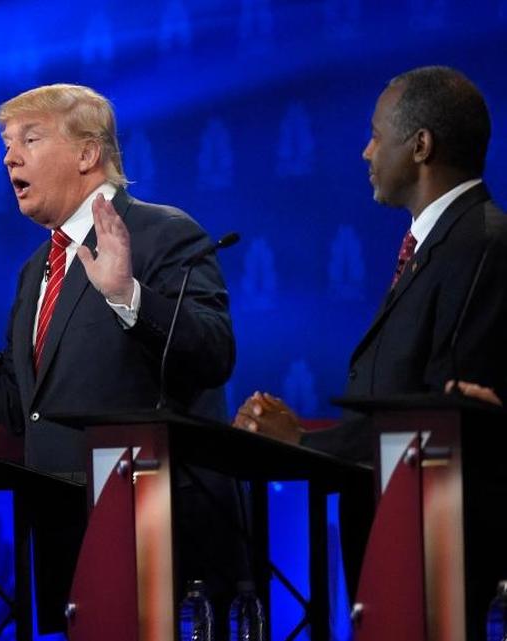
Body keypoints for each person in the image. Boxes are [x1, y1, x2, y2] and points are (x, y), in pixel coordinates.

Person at [0, 83, 245, 627]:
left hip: (162, 540)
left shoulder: (164, 234)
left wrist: (127, 295)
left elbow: (214, 354)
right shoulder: (38, 267)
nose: (9, 156)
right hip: (65, 534)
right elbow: (21, 403)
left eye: (29, 139)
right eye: (6, 143)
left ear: (87, 153)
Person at [232, 66, 507, 631]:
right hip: (399, 547)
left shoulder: (481, 243)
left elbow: (437, 414)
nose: (365, 151)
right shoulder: (440, 241)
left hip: (439, 566)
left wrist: (306, 445)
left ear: (421, 146)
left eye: (377, 134)